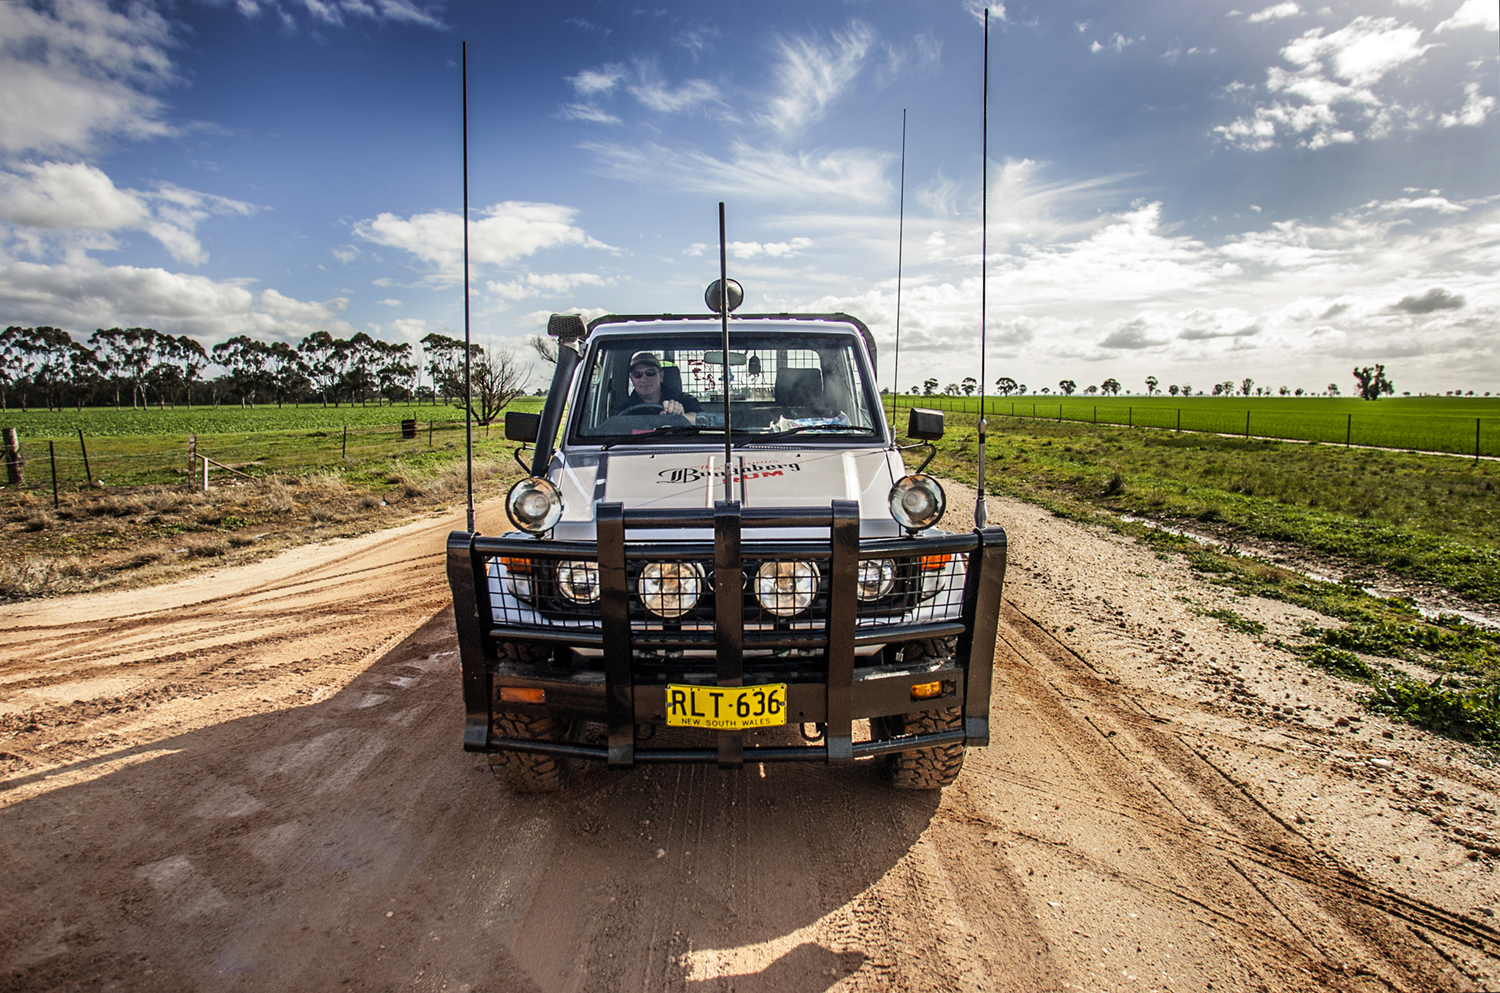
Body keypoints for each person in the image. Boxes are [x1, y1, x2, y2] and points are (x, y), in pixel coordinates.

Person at [624, 351, 701, 422]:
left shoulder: (685, 400)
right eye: (638, 374)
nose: (644, 379)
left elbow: (701, 420)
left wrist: (680, 416)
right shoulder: (625, 410)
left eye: (650, 372)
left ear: (661, 376)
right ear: (632, 379)